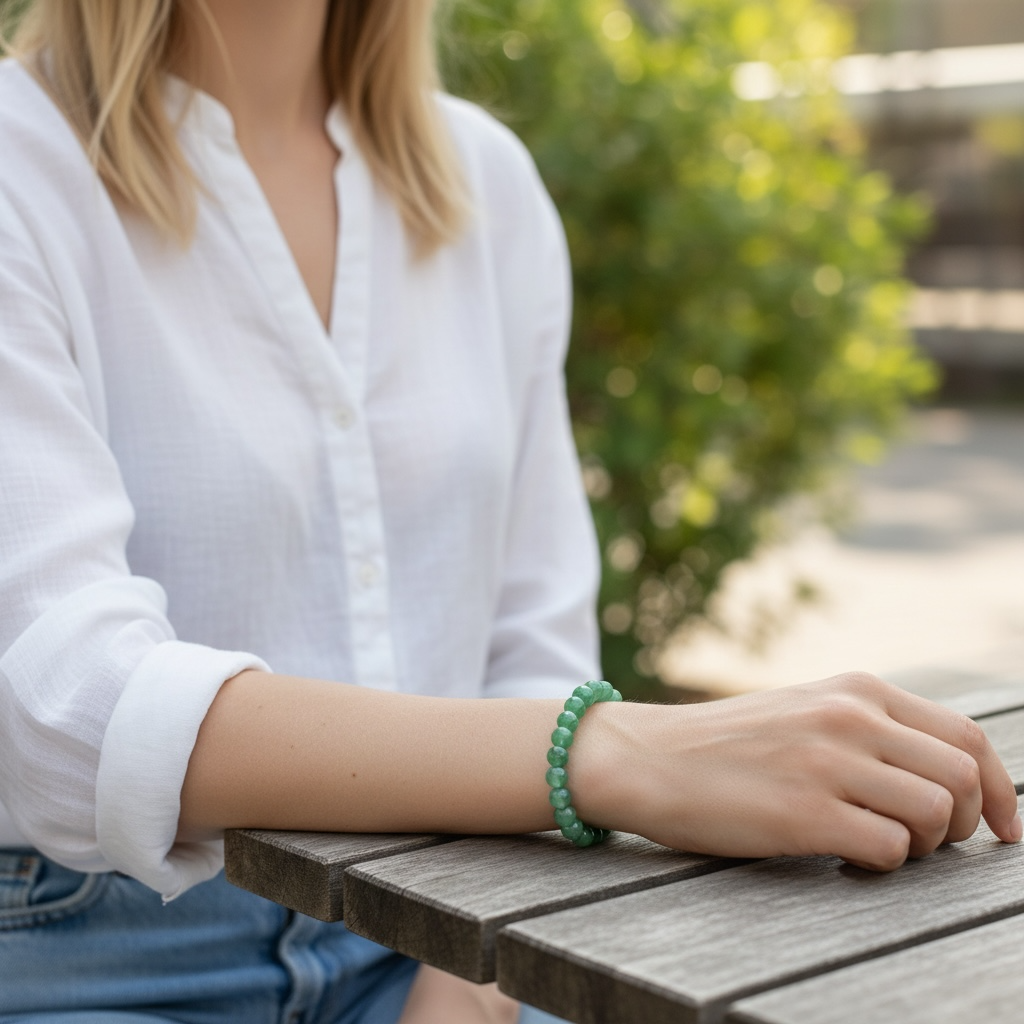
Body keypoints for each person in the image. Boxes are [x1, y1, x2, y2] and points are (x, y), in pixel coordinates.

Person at [0, 1, 1019, 1022]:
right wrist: (621, 753)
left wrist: (476, 974)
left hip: (449, 922)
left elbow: (531, 637)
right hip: (92, 947)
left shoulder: (486, 182)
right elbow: (74, 709)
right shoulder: (21, 162)